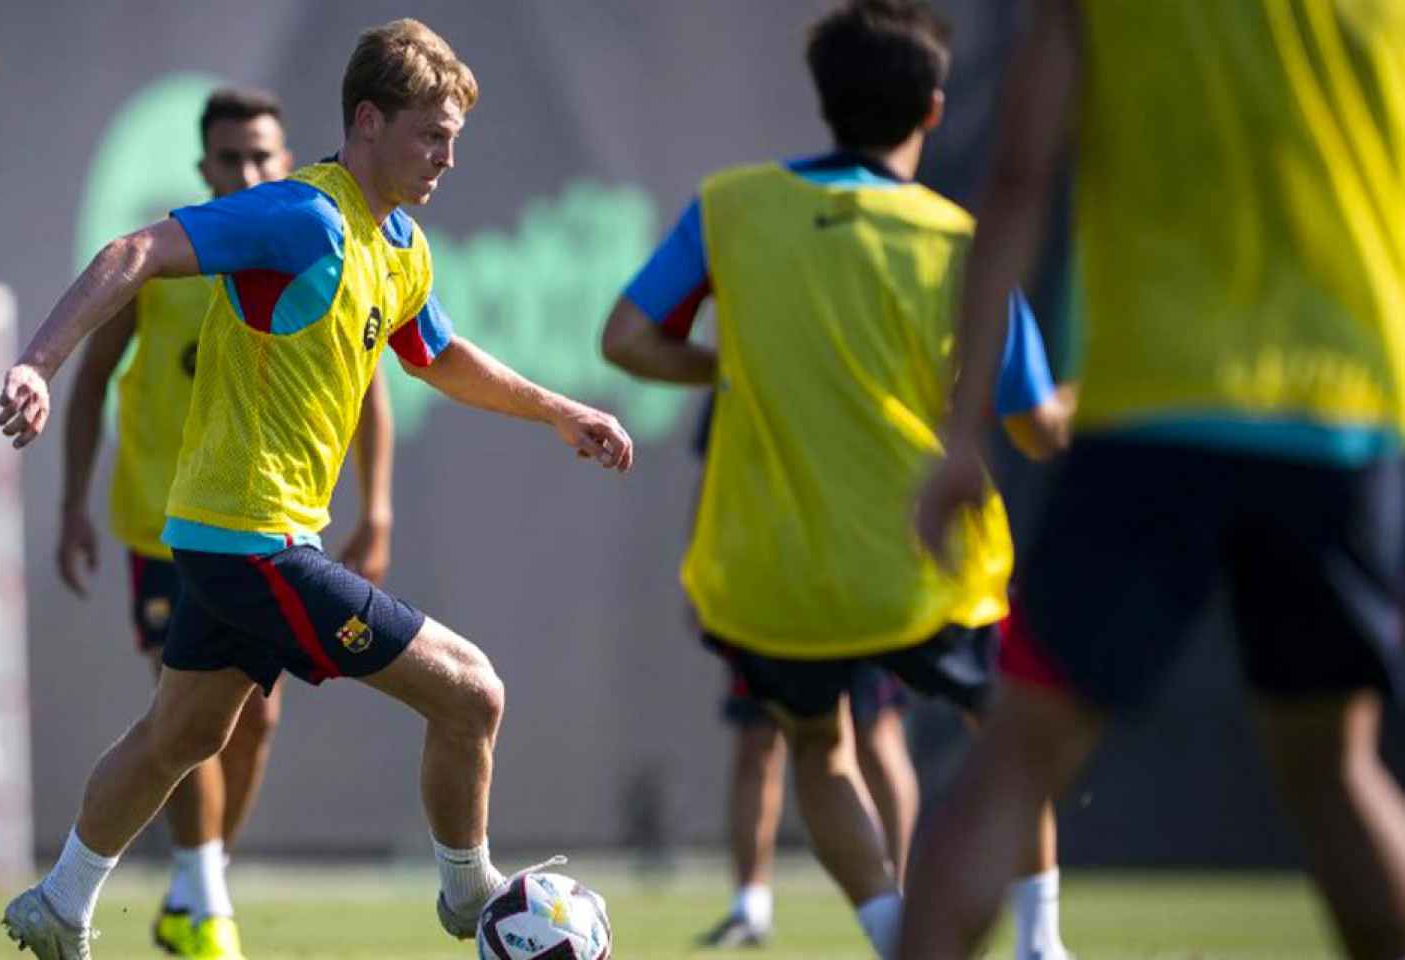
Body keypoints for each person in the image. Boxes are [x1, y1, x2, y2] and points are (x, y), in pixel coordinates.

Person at [0, 19, 634, 959]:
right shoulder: (304, 217)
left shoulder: (399, 243)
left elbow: (438, 355)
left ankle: (59, 904)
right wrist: (39, 364)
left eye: (456, 138)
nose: (447, 157)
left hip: (234, 538)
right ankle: (471, 899)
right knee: (471, 694)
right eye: (431, 134)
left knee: (180, 736)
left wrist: (556, 410)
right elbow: (134, 253)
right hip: (251, 542)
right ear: (368, 122)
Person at [906, 2, 1405, 957]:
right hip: (1343, 420)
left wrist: (964, 435)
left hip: (1154, 412)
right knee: (1336, 772)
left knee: (1013, 763)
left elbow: (1017, 177)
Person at [600, 3, 1072, 957]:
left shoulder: (730, 205)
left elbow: (626, 339)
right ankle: (1040, 945)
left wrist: (731, 367)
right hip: (926, 561)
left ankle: (896, 934)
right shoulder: (957, 240)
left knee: (819, 748)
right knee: (1008, 745)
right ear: (934, 110)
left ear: (824, 101)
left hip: (783, 570)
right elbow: (1037, 429)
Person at [55, 85, 395, 959]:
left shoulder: (308, 245)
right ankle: (201, 902)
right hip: (161, 522)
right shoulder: (171, 259)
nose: (247, 171)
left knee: (253, 722)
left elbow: (371, 381)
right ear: (204, 167)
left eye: (262, 156)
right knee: (182, 720)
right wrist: (71, 504)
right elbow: (95, 379)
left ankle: (194, 883)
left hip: (263, 522)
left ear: (285, 160)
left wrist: (379, 506)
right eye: (230, 158)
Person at [690, 393, 920, 950]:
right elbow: (718, 479)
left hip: (856, 575)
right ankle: (752, 905)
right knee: (763, 738)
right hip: (767, 584)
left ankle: (903, 897)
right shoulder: (738, 373)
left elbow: (631, 338)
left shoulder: (864, 357)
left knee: (875, 734)